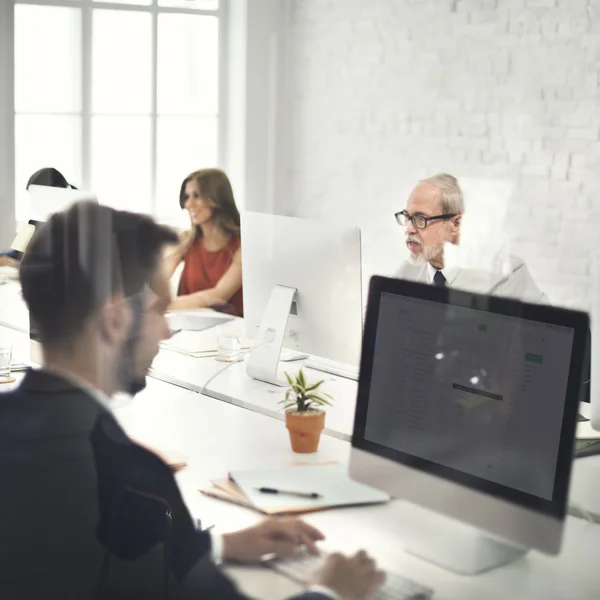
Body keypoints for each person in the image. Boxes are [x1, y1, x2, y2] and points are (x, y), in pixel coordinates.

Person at [0, 201, 384, 600]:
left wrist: (214, 547)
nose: (166, 332)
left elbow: (77, 551)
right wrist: (332, 591)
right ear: (114, 321)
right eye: (160, 312)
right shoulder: (135, 479)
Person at [394, 173, 548, 303]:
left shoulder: (507, 275)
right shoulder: (406, 274)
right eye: (407, 217)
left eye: (421, 219)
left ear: (456, 224)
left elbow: (549, 333)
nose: (408, 229)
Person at [167, 168, 244, 317]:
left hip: (229, 331)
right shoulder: (186, 240)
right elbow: (160, 276)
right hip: (190, 326)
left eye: (197, 196)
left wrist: (164, 305)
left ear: (217, 198)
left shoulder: (241, 246)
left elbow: (219, 295)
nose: (189, 204)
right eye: (186, 196)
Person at [0, 167, 76, 267]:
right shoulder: (32, 222)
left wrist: (17, 265)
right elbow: (15, 254)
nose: (33, 201)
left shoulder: (72, 226)